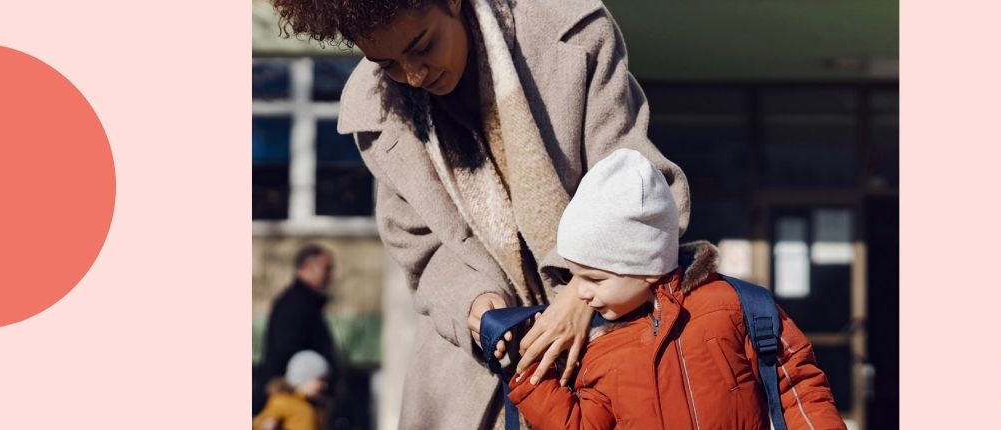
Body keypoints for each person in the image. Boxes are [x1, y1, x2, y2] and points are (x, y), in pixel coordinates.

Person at [268, 0, 692, 428]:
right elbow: (420, 247)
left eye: (423, 46)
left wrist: (585, 288)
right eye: (389, 64)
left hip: (609, 345)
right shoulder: (375, 107)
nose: (414, 75)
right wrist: (471, 301)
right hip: (470, 380)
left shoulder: (571, 32)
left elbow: (641, 187)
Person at [508, 149, 846, 429]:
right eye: (575, 276)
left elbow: (798, 385)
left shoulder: (735, 307)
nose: (579, 294)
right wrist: (529, 377)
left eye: (594, 279)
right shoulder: (600, 348)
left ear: (645, 266)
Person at [255, 245, 338, 417]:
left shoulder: (306, 304)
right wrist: (306, 380)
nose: (331, 275)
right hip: (294, 397)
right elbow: (287, 351)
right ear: (308, 266)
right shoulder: (294, 304)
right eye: (327, 268)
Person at [254, 350, 333, 430]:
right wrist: (266, 425)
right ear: (303, 379)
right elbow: (259, 421)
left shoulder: (320, 406)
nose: (324, 385)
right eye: (320, 380)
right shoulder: (282, 401)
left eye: (326, 381)